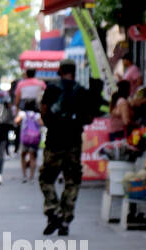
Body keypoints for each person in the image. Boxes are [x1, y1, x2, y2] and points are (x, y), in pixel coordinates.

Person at [39, 61, 97, 236]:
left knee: (46, 179)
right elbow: (89, 117)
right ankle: (65, 218)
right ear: (74, 72)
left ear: (59, 71)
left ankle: (53, 209)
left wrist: (52, 123)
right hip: (73, 143)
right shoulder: (82, 91)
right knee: (72, 181)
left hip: (54, 141)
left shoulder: (51, 89)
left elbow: (43, 110)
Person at [16, 98, 42, 181]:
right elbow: (41, 123)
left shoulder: (22, 113)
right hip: (34, 138)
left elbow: (16, 121)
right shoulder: (37, 115)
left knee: (23, 155)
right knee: (32, 157)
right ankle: (31, 176)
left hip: (25, 138)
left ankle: (24, 175)